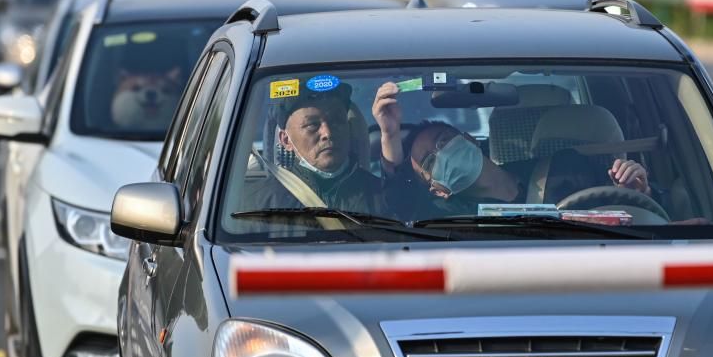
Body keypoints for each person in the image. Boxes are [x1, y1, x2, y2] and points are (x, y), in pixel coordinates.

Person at [372, 81, 651, 219]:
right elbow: (396, 205)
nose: (442, 153)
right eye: (430, 162)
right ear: (438, 190)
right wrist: (389, 134)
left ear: (470, 139)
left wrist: (637, 190)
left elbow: (636, 213)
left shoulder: (565, 167)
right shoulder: (447, 223)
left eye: (443, 140)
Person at [240, 80, 388, 219]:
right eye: (312, 125)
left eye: (336, 121)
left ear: (349, 129)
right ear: (286, 140)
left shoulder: (385, 197)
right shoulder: (257, 206)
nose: (327, 133)